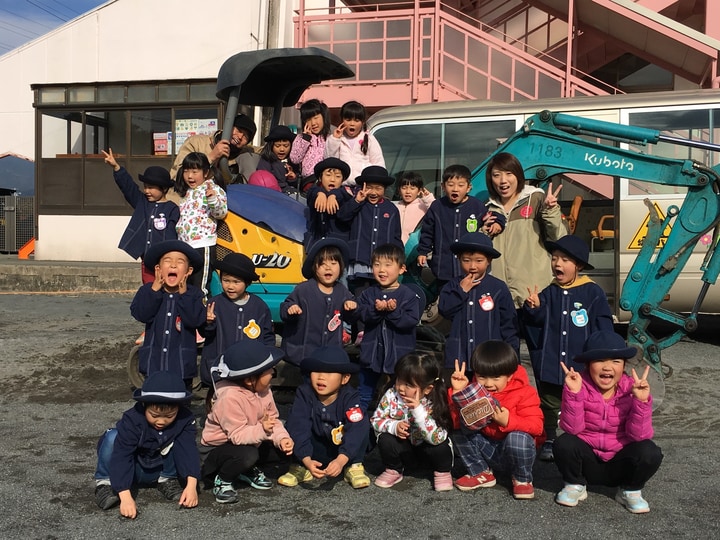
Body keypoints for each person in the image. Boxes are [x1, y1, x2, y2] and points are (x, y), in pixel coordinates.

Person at [523, 235, 613, 461]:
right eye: (554, 259)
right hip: (552, 360)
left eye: (564, 260)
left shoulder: (592, 292)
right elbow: (537, 323)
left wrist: (605, 354)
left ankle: (584, 437)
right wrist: (533, 307)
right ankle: (550, 438)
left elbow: (603, 326)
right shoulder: (549, 292)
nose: (557, 264)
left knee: (584, 401)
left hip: (579, 363)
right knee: (550, 402)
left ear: (579, 265)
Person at [554, 331, 663, 513]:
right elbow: (573, 428)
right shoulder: (579, 385)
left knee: (649, 451)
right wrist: (573, 394)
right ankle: (575, 485)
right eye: (599, 360)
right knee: (564, 442)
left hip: (619, 462)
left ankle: (630, 490)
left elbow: (639, 436)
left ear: (624, 366)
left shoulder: (632, 389)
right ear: (588, 365)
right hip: (588, 461)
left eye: (616, 361)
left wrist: (641, 402)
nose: (607, 367)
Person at [93, 371, 200, 519]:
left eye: (169, 416)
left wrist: (191, 485)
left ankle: (167, 479)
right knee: (112, 437)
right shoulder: (132, 419)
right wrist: (125, 496)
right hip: (134, 468)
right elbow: (122, 456)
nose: (161, 421)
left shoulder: (185, 419)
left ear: (179, 408)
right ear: (144, 405)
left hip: (157, 467)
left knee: (178, 441)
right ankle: (105, 483)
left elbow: (188, 450)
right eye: (154, 416)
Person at [200, 341, 293, 504]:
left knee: (285, 450)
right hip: (217, 449)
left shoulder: (264, 390)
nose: (273, 372)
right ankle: (223, 479)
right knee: (248, 455)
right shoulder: (230, 397)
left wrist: (282, 439)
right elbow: (237, 436)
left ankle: (245, 470)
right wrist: (263, 430)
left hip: (251, 439)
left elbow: (273, 421)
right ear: (250, 379)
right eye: (269, 370)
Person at [449, 341, 544, 500]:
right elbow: (456, 423)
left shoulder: (525, 392)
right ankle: (481, 472)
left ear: (510, 375)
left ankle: (522, 478)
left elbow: (537, 427)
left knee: (518, 437)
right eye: (482, 376)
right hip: (486, 448)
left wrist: (508, 421)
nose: (488, 383)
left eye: (496, 377)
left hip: (512, 451)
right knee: (459, 430)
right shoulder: (471, 391)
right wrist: (458, 394)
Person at [484, 152, 567, 309]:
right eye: (496, 175)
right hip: (499, 297)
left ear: (518, 175)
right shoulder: (488, 208)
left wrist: (551, 210)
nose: (503, 181)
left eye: (509, 174)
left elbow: (558, 236)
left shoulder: (536, 199)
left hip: (533, 294)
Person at [279, 346, 371, 489]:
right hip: (315, 449)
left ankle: (354, 465)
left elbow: (356, 430)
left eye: (329, 372)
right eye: (316, 371)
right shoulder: (304, 393)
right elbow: (299, 425)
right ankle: (300, 466)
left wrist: (341, 460)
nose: (321, 376)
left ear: (345, 378)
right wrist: (306, 459)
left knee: (361, 424)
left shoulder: (351, 397)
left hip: (343, 450)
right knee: (292, 425)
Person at [371, 352, 454, 492]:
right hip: (406, 450)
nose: (401, 388)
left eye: (408, 385)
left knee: (441, 446)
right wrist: (394, 426)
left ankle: (442, 472)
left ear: (427, 389)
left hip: (428, 448)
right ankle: (394, 469)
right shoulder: (391, 395)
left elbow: (436, 438)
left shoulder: (434, 401)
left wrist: (418, 411)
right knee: (385, 438)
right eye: (399, 380)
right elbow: (376, 420)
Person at [356, 243, 423, 411]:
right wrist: (375, 310)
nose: (381, 270)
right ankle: (357, 424)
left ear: (401, 269)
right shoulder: (368, 294)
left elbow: (410, 321)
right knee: (363, 394)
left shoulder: (408, 295)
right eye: (377, 265)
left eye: (388, 265)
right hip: (371, 355)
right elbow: (361, 314)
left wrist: (394, 312)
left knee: (401, 394)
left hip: (399, 357)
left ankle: (398, 424)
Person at [129, 240, 206, 386]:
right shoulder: (147, 290)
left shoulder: (194, 294)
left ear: (188, 271)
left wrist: (184, 296)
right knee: (154, 402)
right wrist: (154, 291)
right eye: (167, 261)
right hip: (153, 363)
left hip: (182, 366)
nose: (173, 265)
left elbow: (194, 320)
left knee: (180, 403)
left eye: (180, 262)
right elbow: (141, 314)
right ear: (158, 269)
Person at [438, 232, 519, 369]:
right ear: (458, 259)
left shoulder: (498, 287)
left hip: (489, 358)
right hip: (459, 356)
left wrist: (512, 358)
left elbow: (509, 324)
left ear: (489, 261)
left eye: (479, 260)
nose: (472, 266)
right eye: (466, 260)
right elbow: (444, 310)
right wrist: (461, 291)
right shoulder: (453, 285)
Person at [417, 164, 505, 287]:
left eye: (461, 185)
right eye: (450, 184)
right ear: (443, 186)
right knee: (447, 300)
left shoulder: (477, 206)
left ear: (469, 187)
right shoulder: (437, 207)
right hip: (444, 267)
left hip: (469, 269)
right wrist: (423, 252)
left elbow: (494, 215)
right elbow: (427, 231)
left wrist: (498, 222)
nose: (455, 189)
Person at [102, 149, 179, 284]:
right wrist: (116, 167)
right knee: (149, 290)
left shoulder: (172, 209)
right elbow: (128, 187)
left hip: (166, 262)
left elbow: (174, 235)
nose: (146, 191)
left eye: (151, 187)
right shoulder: (141, 202)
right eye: (145, 187)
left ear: (164, 189)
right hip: (147, 261)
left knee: (167, 291)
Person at [199, 252, 275, 387]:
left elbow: (267, 337)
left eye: (236, 282)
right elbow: (206, 333)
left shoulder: (259, 307)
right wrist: (208, 323)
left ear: (247, 283)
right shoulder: (214, 304)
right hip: (219, 371)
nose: (230, 286)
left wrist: (267, 365)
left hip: (249, 371)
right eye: (226, 280)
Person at [280, 238, 357, 367]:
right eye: (322, 264)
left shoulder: (342, 291)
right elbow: (285, 308)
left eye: (333, 263)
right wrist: (290, 308)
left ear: (341, 267)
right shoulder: (304, 289)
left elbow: (353, 317)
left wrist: (353, 307)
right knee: (308, 383)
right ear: (314, 268)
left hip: (331, 353)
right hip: (305, 353)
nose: (328, 267)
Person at [335, 165, 402, 298]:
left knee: (381, 294)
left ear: (385, 189)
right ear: (362, 187)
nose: (373, 192)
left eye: (378, 188)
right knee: (361, 294)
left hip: (384, 261)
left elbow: (396, 236)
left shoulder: (391, 209)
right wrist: (356, 201)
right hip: (361, 258)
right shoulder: (357, 204)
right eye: (369, 187)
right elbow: (342, 216)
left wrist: (399, 258)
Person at [174, 151, 228, 298]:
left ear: (205, 173)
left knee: (200, 285)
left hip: (202, 245)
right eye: (186, 171)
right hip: (185, 245)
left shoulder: (213, 189)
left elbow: (221, 212)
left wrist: (212, 199)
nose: (189, 176)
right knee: (185, 283)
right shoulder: (187, 192)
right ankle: (186, 314)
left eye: (194, 171)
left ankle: (202, 315)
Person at [170, 113, 259, 186]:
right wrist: (211, 157)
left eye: (246, 136)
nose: (240, 137)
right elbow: (177, 175)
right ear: (228, 127)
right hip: (185, 201)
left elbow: (265, 149)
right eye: (239, 130)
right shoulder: (196, 142)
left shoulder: (244, 152)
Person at [324, 100, 385, 186]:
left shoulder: (369, 139)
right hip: (342, 186)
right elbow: (329, 160)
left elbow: (378, 164)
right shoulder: (335, 139)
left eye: (356, 120)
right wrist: (334, 140)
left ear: (363, 122)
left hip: (363, 186)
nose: (352, 124)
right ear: (342, 120)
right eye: (348, 120)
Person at [304, 157, 353, 250]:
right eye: (328, 175)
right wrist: (320, 193)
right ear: (320, 178)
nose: (332, 179)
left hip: (337, 247)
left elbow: (344, 196)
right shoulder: (314, 191)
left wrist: (334, 194)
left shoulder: (345, 195)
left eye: (338, 176)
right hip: (315, 243)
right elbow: (311, 194)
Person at [290, 98, 331, 193]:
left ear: (323, 117)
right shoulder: (301, 138)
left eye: (316, 118)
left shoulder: (330, 139)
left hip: (328, 180)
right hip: (309, 181)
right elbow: (295, 159)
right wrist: (306, 139)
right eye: (308, 120)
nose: (313, 123)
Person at [393, 171, 435, 244]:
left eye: (412, 188)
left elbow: (436, 210)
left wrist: (428, 198)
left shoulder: (423, 205)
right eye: (404, 188)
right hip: (397, 250)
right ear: (399, 190)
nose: (408, 191)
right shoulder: (395, 207)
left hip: (415, 249)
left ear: (419, 191)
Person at [257, 125, 300, 195]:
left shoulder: (293, 161)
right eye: (277, 146)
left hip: (293, 193)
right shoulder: (266, 160)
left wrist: (293, 178)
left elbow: (298, 183)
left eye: (286, 146)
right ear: (271, 146)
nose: (282, 149)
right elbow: (263, 180)